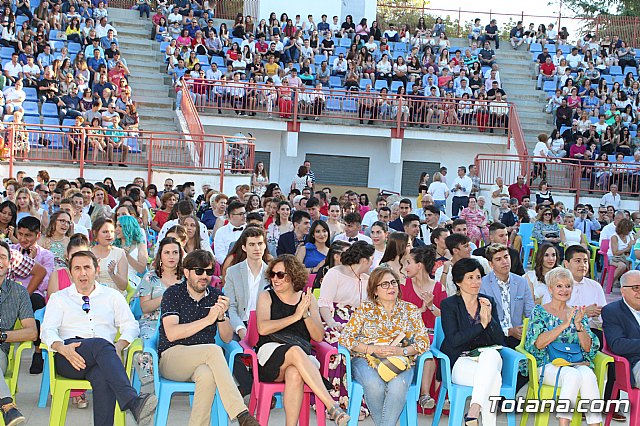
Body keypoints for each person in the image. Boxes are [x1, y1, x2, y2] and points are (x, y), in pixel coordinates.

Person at [41, 250, 158, 426]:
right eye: (77, 268)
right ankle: (133, 402)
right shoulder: (59, 298)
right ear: (70, 273)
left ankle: (127, 406)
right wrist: (61, 347)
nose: (82, 273)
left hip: (106, 357)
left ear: (96, 270)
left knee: (103, 376)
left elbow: (131, 325)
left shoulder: (112, 296)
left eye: (87, 267)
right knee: (101, 345)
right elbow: (47, 330)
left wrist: (118, 346)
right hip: (70, 356)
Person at [158, 249, 260, 426]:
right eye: (199, 271)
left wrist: (220, 317)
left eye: (209, 272)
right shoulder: (173, 294)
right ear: (186, 272)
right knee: (213, 350)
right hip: (172, 357)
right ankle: (241, 413)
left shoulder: (216, 296)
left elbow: (227, 338)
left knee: (207, 375)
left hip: (204, 361)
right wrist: (207, 320)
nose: (204, 276)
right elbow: (172, 333)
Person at [256, 254, 351, 426]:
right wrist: (295, 316)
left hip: (302, 359)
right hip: (271, 355)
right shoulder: (266, 296)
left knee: (295, 373)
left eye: (280, 275)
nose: (275, 279)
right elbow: (263, 328)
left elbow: (318, 336)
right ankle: (332, 405)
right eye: (272, 274)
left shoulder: (307, 299)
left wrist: (305, 315)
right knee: (294, 351)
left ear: (293, 276)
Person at [339, 265, 430, 426]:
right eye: (385, 284)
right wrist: (370, 349)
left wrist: (401, 351)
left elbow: (424, 342)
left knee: (398, 387)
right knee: (374, 386)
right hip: (366, 359)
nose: (391, 287)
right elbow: (345, 338)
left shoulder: (410, 310)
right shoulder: (365, 309)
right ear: (375, 290)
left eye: (394, 283)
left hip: (401, 360)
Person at [524, 267, 602, 426]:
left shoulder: (577, 312)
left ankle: (595, 424)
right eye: (559, 286)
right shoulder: (539, 312)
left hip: (574, 362)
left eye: (568, 286)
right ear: (550, 289)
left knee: (588, 375)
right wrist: (564, 325)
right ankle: (564, 424)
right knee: (572, 376)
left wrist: (578, 325)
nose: (564, 290)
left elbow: (588, 348)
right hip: (546, 363)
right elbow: (538, 344)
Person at [440, 258, 504, 426]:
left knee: (490, 354)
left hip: (486, 359)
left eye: (478, 277)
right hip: (460, 360)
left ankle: (474, 411)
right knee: (494, 379)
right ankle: (484, 420)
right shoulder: (449, 305)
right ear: (458, 282)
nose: (476, 282)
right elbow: (454, 340)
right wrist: (481, 325)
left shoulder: (487, 301)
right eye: (470, 277)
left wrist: (489, 320)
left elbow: (499, 340)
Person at [402, 245, 446, 409]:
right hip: (409, 335)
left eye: (409, 263)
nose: (406, 267)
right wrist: (420, 310)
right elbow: (399, 317)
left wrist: (431, 306)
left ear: (419, 265)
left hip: (433, 335)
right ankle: (425, 395)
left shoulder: (438, 288)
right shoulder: (403, 286)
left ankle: (426, 396)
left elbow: (445, 317)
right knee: (426, 348)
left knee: (430, 347)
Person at [134, 237, 183, 382]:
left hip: (179, 324)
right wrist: (166, 296)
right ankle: (149, 386)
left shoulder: (186, 278)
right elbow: (145, 307)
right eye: (167, 252)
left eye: (175, 252)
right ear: (160, 255)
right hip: (152, 323)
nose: (171, 256)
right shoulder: (150, 277)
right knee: (146, 350)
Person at [0, 240, 38, 426]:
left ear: (9, 263)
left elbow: (32, 332)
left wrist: (2, 336)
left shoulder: (19, 292)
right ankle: (7, 405)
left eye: (3, 257)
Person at [11, 216, 54, 374]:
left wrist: (32, 261)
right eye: (20, 234)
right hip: (12, 293)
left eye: (27, 235)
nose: (23, 239)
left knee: (37, 302)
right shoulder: (12, 251)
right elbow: (9, 277)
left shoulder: (46, 256)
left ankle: (37, 351)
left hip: (33, 293)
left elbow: (44, 284)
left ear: (37, 235)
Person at [480, 244, 534, 350]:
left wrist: (525, 329)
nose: (504, 262)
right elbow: (484, 319)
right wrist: (508, 331)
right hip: (492, 337)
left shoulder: (521, 282)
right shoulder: (482, 284)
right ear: (491, 264)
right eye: (498, 259)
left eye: (506, 257)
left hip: (518, 337)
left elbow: (531, 312)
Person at [224, 227, 269, 340]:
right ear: (244, 247)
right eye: (252, 244)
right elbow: (231, 306)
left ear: (264, 245)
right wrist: (240, 328)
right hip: (239, 324)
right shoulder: (233, 272)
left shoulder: (272, 274)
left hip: (265, 326)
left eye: (260, 243)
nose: (257, 248)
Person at [602, 271, 640, 388]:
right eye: (636, 288)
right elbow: (618, 345)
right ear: (623, 291)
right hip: (633, 364)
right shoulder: (612, 311)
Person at [90, 217, 129, 294]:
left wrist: (112, 273)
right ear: (95, 233)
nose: (109, 235)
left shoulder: (119, 253)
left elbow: (124, 286)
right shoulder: (87, 253)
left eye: (112, 232)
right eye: (105, 232)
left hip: (114, 296)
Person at [608, 218, 636, 284]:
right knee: (622, 266)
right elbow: (615, 253)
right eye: (628, 229)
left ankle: (629, 284)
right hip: (614, 258)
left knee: (634, 265)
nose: (629, 231)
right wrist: (627, 247)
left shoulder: (629, 236)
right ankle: (610, 283)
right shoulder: (614, 237)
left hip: (626, 257)